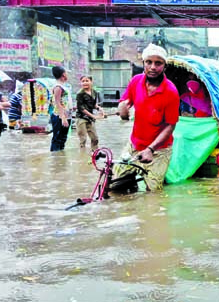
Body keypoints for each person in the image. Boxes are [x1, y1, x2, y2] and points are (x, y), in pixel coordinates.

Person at [114, 43, 180, 191]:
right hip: (134, 145)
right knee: (115, 186)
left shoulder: (170, 92)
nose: (153, 67)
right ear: (143, 63)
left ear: (164, 66)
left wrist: (151, 149)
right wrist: (122, 109)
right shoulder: (136, 81)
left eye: (158, 63)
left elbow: (170, 125)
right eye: (149, 62)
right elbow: (125, 104)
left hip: (159, 149)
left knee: (154, 194)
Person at [76, 75, 104, 152]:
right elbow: (81, 108)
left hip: (90, 118)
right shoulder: (80, 94)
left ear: (91, 82)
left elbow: (93, 104)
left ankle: (95, 153)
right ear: (80, 83)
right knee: (83, 139)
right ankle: (82, 155)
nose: (85, 83)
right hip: (81, 118)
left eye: (87, 81)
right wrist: (93, 116)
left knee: (95, 138)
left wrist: (99, 108)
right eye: (83, 81)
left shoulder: (94, 92)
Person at [50, 65, 73, 152]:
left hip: (67, 115)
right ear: (63, 74)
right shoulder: (58, 87)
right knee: (57, 138)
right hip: (59, 116)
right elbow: (57, 102)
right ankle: (55, 159)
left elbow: (65, 101)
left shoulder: (64, 86)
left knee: (63, 138)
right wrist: (63, 117)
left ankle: (60, 160)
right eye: (66, 73)